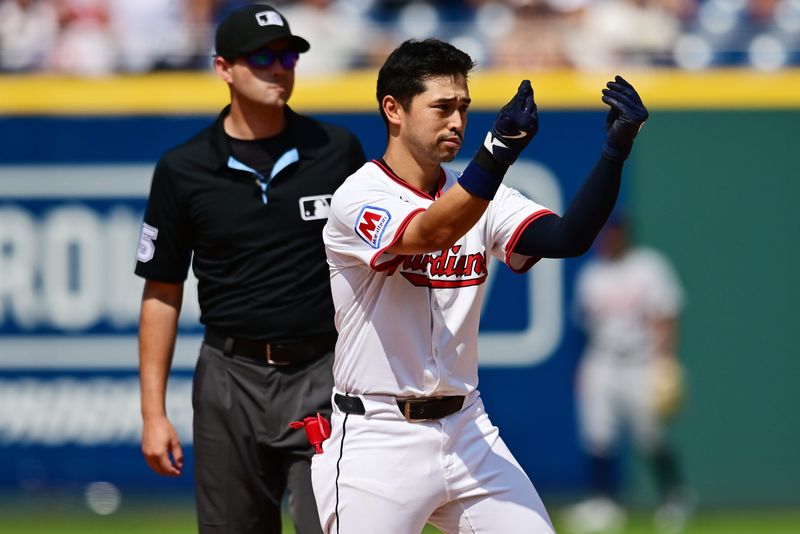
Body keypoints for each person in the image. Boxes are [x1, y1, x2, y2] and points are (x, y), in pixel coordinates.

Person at [311, 38, 649, 534]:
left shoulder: (477, 194)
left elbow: (567, 237)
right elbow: (429, 232)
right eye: (442, 107)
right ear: (394, 110)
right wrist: (496, 154)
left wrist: (614, 153)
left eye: (464, 108)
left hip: (467, 428)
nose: (456, 121)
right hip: (378, 435)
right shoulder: (360, 195)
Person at [134, 4, 365, 533]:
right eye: (262, 57)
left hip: (324, 374)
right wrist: (153, 414)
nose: (279, 67)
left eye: (287, 55)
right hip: (229, 378)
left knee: (337, 527)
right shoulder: (183, 168)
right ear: (224, 68)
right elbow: (162, 291)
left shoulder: (336, 150)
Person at [565, 216, 691, 534]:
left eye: (615, 235)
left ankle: (675, 498)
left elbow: (667, 315)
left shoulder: (649, 267)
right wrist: (581, 368)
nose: (609, 241)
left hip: (642, 361)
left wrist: (665, 361)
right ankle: (603, 504)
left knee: (651, 435)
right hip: (602, 360)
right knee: (597, 433)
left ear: (625, 236)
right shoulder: (592, 275)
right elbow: (583, 327)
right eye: (605, 235)